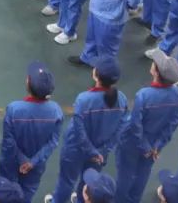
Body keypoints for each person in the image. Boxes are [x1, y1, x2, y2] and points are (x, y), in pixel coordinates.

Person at [46, 58, 128, 203]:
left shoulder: (84, 99)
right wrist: (104, 149)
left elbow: (79, 129)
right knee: (90, 182)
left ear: (95, 75)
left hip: (76, 148)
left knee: (66, 180)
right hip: (100, 151)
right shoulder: (122, 99)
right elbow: (121, 127)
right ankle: (82, 199)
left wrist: (91, 150)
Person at [114, 51, 178, 203]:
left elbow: (136, 124)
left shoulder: (144, 95)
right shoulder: (177, 94)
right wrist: (157, 145)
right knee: (143, 173)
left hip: (133, 143)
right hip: (155, 144)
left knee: (125, 174)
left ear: (156, 72)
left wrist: (145, 146)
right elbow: (174, 122)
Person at [0, 61, 63, 200]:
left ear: (28, 83)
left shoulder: (14, 109)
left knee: (5, 190)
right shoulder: (56, 111)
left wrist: (22, 159)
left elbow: (9, 140)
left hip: (11, 162)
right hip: (35, 166)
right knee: (27, 192)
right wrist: (32, 162)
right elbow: (53, 142)